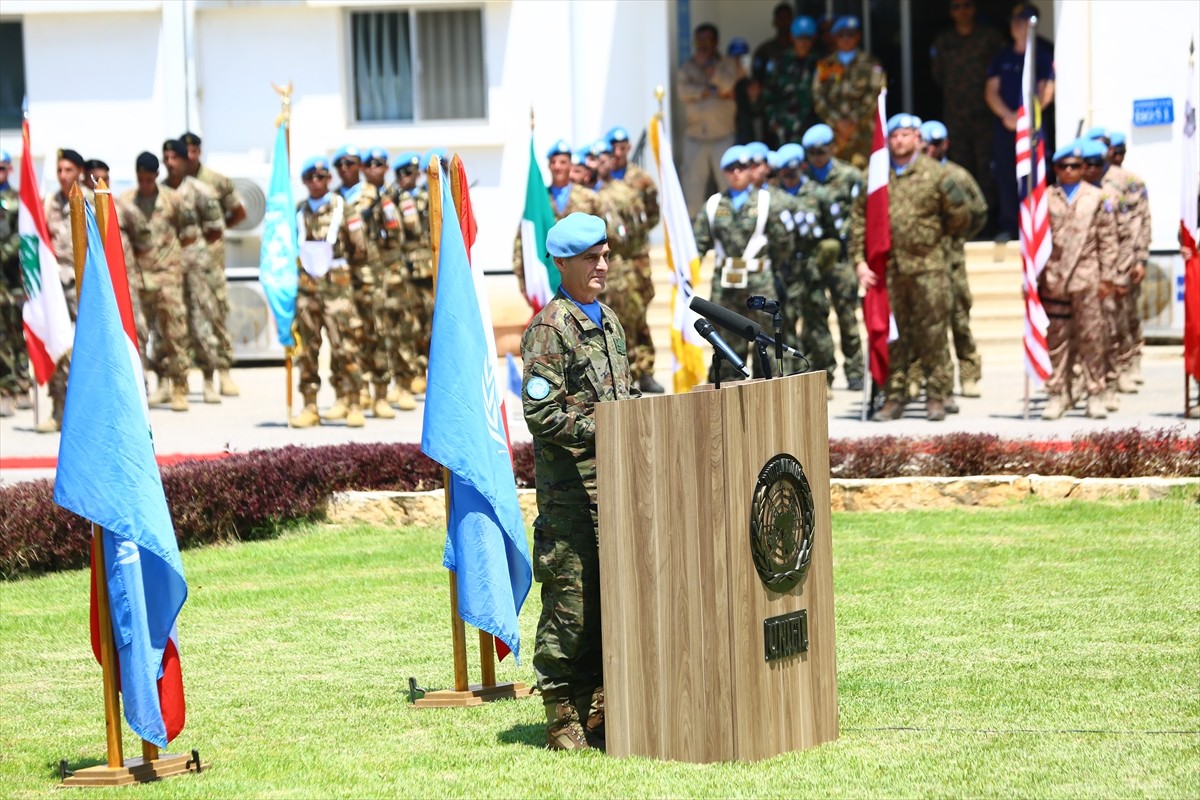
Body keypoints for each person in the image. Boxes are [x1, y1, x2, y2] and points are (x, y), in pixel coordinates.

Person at [521, 212, 638, 751]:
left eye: (606, 255)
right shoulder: (551, 328)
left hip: (616, 491)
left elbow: (621, 397)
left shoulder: (609, 321)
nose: (602, 265)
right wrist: (610, 429)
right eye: (590, 258)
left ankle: (601, 708)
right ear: (561, 262)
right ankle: (562, 713)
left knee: (612, 601)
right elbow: (540, 415)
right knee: (572, 604)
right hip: (572, 496)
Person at [849, 114, 974, 421]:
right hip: (888, 270)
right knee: (894, 335)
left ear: (917, 138)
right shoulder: (875, 177)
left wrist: (936, 243)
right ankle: (894, 395)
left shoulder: (937, 174)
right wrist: (859, 262)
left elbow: (961, 216)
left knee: (932, 332)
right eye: (894, 136)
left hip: (928, 266)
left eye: (906, 135)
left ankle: (936, 394)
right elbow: (858, 221)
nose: (899, 141)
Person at [692, 145, 795, 381]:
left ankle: (769, 390)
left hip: (759, 281)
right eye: (730, 168)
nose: (736, 172)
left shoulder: (767, 201)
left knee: (766, 342)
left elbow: (783, 242)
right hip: (725, 284)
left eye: (742, 167)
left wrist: (772, 268)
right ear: (724, 173)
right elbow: (699, 243)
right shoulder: (714, 204)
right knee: (726, 343)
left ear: (751, 170)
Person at [1039, 140, 1118, 420]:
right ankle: (1058, 393)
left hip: (1088, 278)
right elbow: (1036, 242)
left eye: (1075, 166)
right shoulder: (1045, 198)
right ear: (1056, 169)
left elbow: (1108, 240)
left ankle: (1095, 392)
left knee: (1091, 337)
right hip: (1054, 279)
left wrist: (1109, 276)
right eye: (1064, 166)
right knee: (1058, 340)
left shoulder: (1097, 197)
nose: (1070, 171)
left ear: (1083, 168)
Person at [290, 156, 367, 429]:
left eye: (321, 177)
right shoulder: (298, 211)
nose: (315, 182)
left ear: (328, 180)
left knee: (345, 346)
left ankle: (354, 400)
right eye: (310, 177)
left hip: (336, 289)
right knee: (308, 350)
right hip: (307, 290)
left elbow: (360, 248)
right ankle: (310, 405)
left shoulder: (341, 208)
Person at [915, 120, 988, 399]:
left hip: (951, 261)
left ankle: (969, 375)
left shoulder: (957, 175)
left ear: (945, 144)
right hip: (924, 262)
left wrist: (958, 237)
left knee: (959, 319)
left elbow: (978, 211)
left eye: (935, 144)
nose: (929, 149)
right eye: (925, 144)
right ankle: (922, 375)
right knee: (924, 323)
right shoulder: (914, 175)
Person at [123, 152, 194, 411]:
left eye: (149, 179)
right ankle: (145, 386)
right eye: (140, 179)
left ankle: (179, 387)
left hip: (167, 277)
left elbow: (189, 234)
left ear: (155, 176)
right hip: (139, 279)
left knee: (175, 333)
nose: (144, 184)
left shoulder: (172, 200)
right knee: (139, 335)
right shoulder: (126, 202)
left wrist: (170, 259)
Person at [800, 123, 866, 391]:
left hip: (841, 257)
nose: (817, 156)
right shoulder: (801, 178)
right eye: (812, 152)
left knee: (847, 315)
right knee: (816, 318)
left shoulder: (850, 176)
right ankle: (823, 372)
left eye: (822, 151)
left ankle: (855, 371)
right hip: (813, 258)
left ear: (832, 148)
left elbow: (861, 214)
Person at [181, 132, 245, 397]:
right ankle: (191, 376)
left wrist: (216, 235)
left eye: (194, 150)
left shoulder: (216, 181)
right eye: (186, 151)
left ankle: (225, 372)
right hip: (185, 263)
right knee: (189, 318)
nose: (190, 156)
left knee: (216, 313)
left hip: (212, 262)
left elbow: (239, 212)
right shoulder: (172, 185)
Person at [163, 138, 226, 404]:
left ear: (184, 159)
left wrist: (200, 257)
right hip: (168, 270)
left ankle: (210, 378)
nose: (169, 163)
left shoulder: (200, 190)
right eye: (165, 158)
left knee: (202, 323)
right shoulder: (160, 192)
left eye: (174, 158)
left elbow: (215, 229)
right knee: (170, 326)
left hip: (197, 267)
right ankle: (172, 382)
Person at [984, 2, 1054, 243]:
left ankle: (1034, 226)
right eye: (1015, 22)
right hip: (1007, 127)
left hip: (1031, 125)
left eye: (1024, 21)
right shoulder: (1002, 57)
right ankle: (1009, 225)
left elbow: (1046, 92)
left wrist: (1024, 117)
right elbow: (991, 91)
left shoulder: (1043, 55)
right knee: (1005, 175)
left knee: (1033, 172)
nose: (1018, 26)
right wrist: (1008, 116)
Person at [929, 0, 1006, 218]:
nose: (962, 11)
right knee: (961, 167)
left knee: (987, 168)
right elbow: (938, 75)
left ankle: (989, 217)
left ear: (974, 8)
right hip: (956, 115)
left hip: (986, 114)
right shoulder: (944, 41)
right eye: (956, 7)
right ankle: (966, 218)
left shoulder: (990, 37)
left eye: (967, 5)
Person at [330, 144, 387, 421]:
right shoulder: (332, 200)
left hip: (369, 274)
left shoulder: (375, 196)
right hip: (341, 278)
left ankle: (380, 394)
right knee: (344, 337)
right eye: (339, 164)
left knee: (373, 332)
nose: (344, 168)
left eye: (350, 163)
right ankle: (351, 391)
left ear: (360, 167)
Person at [607, 126, 664, 394]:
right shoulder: (600, 183)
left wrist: (633, 237)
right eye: (612, 147)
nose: (617, 152)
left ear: (628, 148)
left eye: (622, 146)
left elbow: (652, 215)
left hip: (636, 258)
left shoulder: (641, 179)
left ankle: (646, 369)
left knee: (638, 314)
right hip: (614, 262)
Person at [37, 148, 88, 432]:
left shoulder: (89, 202)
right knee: (57, 344)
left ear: (79, 171)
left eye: (68, 170)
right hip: (56, 282)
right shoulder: (50, 203)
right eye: (59, 170)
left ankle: (88, 412)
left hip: (83, 283)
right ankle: (58, 408)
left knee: (86, 346)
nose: (62, 176)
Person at [513, 139, 601, 300]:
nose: (557, 166)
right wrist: (524, 284)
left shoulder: (589, 198)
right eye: (553, 162)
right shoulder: (539, 201)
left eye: (562, 162)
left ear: (570, 165)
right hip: (547, 280)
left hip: (584, 279)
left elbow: (604, 241)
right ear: (548, 166)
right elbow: (523, 241)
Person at [677, 22, 740, 214]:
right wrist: (705, 91)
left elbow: (726, 86)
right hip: (695, 138)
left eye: (707, 40)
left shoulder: (727, 63)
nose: (702, 44)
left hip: (723, 136)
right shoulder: (688, 67)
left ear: (716, 42)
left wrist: (711, 72)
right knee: (693, 188)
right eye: (699, 40)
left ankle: (729, 227)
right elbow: (683, 92)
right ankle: (694, 232)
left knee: (728, 185)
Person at [360, 146, 404, 418]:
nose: (377, 168)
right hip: (359, 277)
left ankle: (384, 391)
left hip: (388, 276)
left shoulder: (391, 196)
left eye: (381, 164)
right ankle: (360, 391)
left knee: (387, 333)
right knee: (359, 336)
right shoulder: (356, 198)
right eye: (372, 163)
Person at [811, 15, 886, 170]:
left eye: (850, 34)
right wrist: (837, 122)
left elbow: (876, 94)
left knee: (864, 176)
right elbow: (818, 96)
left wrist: (853, 121)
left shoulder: (871, 63)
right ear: (834, 38)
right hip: (834, 134)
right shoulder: (825, 65)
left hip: (862, 134)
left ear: (858, 36)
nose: (846, 39)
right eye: (841, 35)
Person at [385, 151, 425, 409]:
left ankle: (419, 373)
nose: (409, 178)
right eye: (404, 174)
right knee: (401, 328)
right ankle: (403, 379)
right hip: (398, 274)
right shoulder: (388, 199)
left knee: (425, 327)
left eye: (412, 173)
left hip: (424, 271)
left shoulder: (425, 197)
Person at [0, 150, 32, 418]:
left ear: (9, 169)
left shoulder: (16, 200)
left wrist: (6, 251)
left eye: (1, 168)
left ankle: (23, 384)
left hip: (12, 280)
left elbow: (23, 235)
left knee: (16, 334)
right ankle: (6, 389)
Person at [760, 16, 819, 148]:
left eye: (807, 38)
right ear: (792, 37)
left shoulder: (820, 63)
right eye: (799, 38)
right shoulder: (778, 62)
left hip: (812, 130)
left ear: (814, 38)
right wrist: (774, 123)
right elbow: (768, 95)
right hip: (784, 130)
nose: (803, 42)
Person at [729, 39, 762, 145]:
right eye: (735, 57)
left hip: (747, 132)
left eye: (742, 57)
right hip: (725, 130)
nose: (738, 61)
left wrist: (754, 99)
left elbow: (757, 111)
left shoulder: (752, 80)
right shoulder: (722, 78)